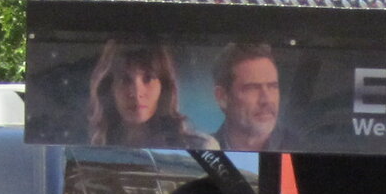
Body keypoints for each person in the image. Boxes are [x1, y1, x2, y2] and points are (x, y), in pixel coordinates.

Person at [88, 40, 216, 149]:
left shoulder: (201, 147)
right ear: (110, 89)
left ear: (164, 88)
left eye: (148, 78)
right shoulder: (94, 150)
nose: (137, 93)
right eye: (125, 80)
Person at [211, 42, 281, 152]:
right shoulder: (201, 150)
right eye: (252, 88)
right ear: (222, 97)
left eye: (273, 87)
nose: (266, 100)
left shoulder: (303, 147)